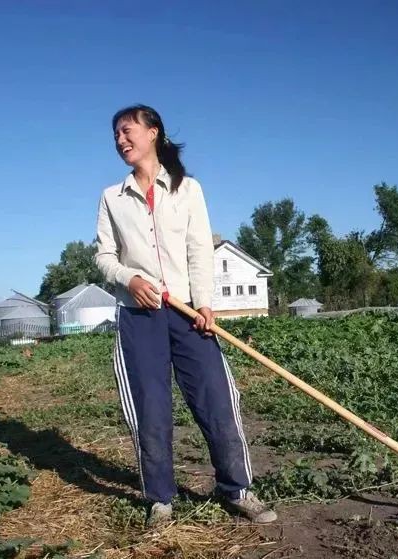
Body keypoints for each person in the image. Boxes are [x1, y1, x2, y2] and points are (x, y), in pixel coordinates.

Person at [93, 104, 276, 525]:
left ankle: (237, 488)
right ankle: (160, 499)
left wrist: (205, 303)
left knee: (215, 399)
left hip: (188, 312)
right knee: (150, 407)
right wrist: (130, 279)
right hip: (140, 317)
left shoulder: (187, 189)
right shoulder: (111, 198)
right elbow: (104, 256)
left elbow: (199, 250)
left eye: (127, 131)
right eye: (116, 135)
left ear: (153, 132)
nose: (121, 140)